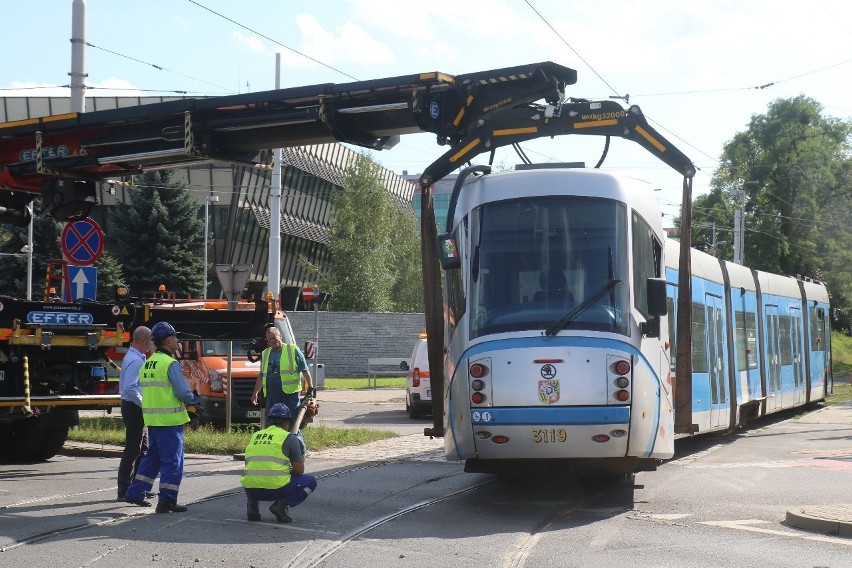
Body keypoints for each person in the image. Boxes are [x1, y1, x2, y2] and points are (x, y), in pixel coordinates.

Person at [124, 321, 200, 513]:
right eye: (175, 336)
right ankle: (167, 501)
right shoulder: (170, 363)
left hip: (153, 421)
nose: (177, 340)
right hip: (170, 422)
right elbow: (183, 392)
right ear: (168, 340)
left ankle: (135, 492)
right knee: (173, 462)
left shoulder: (148, 363)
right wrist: (194, 400)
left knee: (153, 459)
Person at [240, 403, 317, 523]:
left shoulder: (255, 435)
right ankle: (281, 506)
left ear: (269, 421)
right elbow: (299, 470)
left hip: (251, 489)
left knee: (253, 475)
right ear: (287, 423)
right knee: (311, 482)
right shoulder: (289, 438)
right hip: (275, 490)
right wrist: (286, 470)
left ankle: (252, 506)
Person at [117, 325, 152, 501]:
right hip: (133, 407)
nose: (151, 344)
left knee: (143, 448)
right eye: (150, 340)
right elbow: (130, 388)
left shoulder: (135, 357)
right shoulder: (136, 360)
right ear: (144, 340)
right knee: (133, 449)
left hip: (134, 406)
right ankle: (124, 490)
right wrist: (144, 405)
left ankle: (137, 487)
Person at [250, 326, 313, 421]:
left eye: (274, 337)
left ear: (280, 336)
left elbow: (304, 370)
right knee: (272, 422)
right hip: (272, 395)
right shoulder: (265, 353)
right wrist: (255, 392)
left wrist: (311, 388)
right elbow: (262, 375)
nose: (272, 341)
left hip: (290, 395)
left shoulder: (293, 349)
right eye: (269, 339)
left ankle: (292, 436)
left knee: (291, 421)